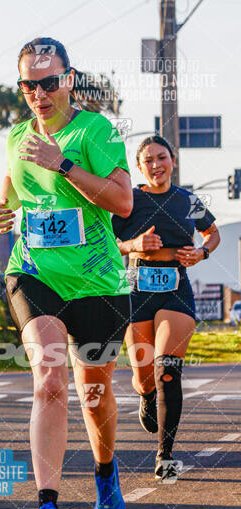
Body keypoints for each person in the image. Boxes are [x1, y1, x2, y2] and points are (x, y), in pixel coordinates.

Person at [0, 37, 133, 509]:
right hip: (34, 272)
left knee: (94, 396)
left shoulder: (97, 131)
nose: (39, 93)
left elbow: (122, 203)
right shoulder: (16, 137)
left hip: (97, 281)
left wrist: (64, 164)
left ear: (68, 80)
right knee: (49, 381)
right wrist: (2, 212)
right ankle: (47, 504)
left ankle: (105, 469)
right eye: (29, 85)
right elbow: (12, 189)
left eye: (49, 82)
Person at [112, 135, 220, 482]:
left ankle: (165, 455)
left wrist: (202, 252)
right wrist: (133, 245)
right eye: (149, 160)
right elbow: (107, 243)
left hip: (176, 287)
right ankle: (145, 395)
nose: (157, 165)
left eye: (163, 157)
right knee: (145, 376)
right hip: (137, 288)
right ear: (140, 167)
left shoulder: (188, 200)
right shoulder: (129, 201)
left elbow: (212, 233)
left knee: (167, 370)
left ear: (173, 161)